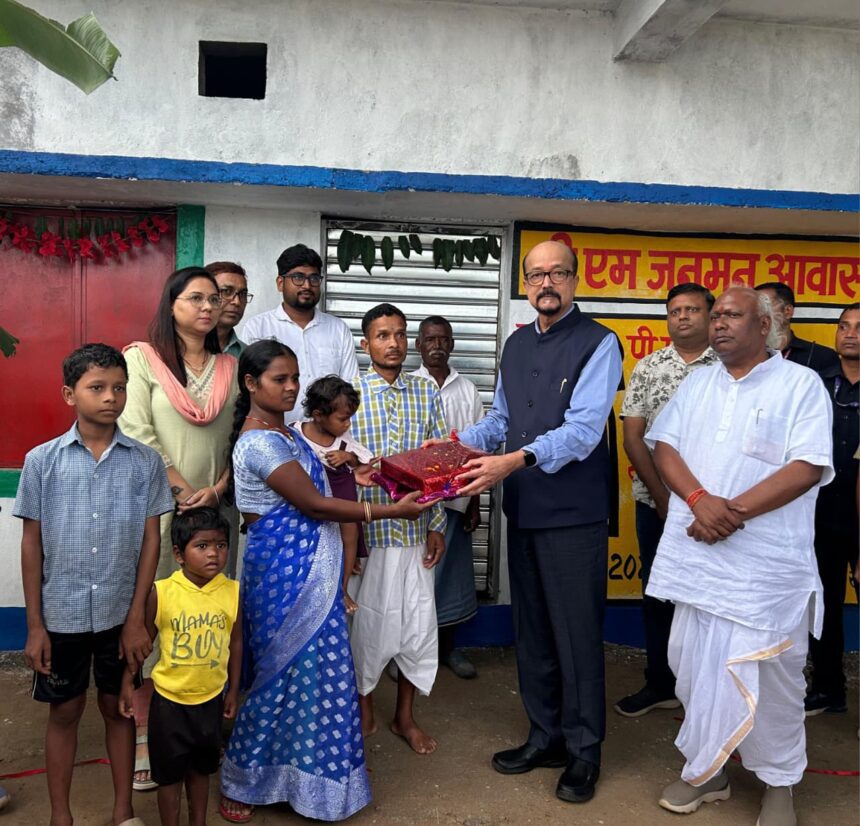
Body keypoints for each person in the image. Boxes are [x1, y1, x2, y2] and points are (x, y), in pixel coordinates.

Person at [219, 340, 430, 823]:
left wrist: (364, 475)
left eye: (295, 378)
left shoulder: (288, 436)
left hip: (317, 577)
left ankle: (313, 778)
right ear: (251, 384)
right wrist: (389, 512)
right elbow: (313, 505)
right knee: (278, 678)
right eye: (280, 379)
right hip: (284, 578)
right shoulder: (259, 443)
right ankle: (245, 778)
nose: (291, 387)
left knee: (318, 679)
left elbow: (323, 486)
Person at [443, 240, 623, 803]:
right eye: (537, 274)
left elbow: (584, 431)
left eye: (558, 274)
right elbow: (500, 419)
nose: (547, 283)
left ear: (574, 280)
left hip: (574, 517)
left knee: (576, 636)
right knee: (534, 633)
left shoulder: (599, 342)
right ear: (524, 284)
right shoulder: (517, 343)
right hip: (523, 509)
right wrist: (453, 447)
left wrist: (514, 461)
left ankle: (584, 752)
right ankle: (545, 737)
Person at [645, 287, 832, 825]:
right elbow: (664, 446)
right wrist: (699, 502)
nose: (720, 324)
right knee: (694, 669)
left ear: (765, 325)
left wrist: (730, 513)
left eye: (733, 315)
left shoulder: (800, 384)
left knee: (771, 676)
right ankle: (709, 770)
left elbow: (807, 466)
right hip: (700, 562)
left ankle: (780, 783)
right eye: (717, 316)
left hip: (764, 570)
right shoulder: (698, 382)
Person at [13, 343, 173, 826]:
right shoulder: (42, 461)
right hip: (60, 614)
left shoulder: (145, 462)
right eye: (97, 387)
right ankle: (60, 815)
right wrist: (35, 626)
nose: (110, 397)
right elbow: (31, 544)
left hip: (120, 615)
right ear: (69, 394)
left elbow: (151, 541)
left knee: (118, 707)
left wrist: (137, 618)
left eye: (119, 388)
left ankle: (123, 812)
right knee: (63, 711)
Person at [119, 266, 239, 791]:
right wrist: (181, 488)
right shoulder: (142, 359)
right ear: (171, 304)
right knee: (155, 621)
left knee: (204, 626)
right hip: (160, 514)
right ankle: (150, 739)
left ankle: (202, 735)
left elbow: (241, 436)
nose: (208, 307)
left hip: (213, 516)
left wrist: (218, 488)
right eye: (196, 298)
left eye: (215, 299)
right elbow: (136, 429)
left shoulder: (232, 367)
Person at [614, 283, 718, 717]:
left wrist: (703, 501)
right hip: (656, 503)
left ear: (711, 316)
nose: (682, 317)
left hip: (718, 508)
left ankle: (709, 693)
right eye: (675, 311)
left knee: (711, 598)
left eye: (692, 309)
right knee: (658, 594)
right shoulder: (650, 366)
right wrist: (663, 496)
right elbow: (633, 437)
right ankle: (661, 683)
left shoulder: (730, 365)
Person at [350, 303, 449, 755]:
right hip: (368, 535)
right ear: (366, 343)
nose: (393, 343)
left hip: (414, 533)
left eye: (400, 334)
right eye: (383, 335)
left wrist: (437, 523)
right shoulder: (350, 393)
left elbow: (440, 464)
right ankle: (364, 709)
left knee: (417, 625)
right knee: (365, 627)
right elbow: (337, 469)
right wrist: (347, 535)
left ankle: (405, 717)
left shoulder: (425, 392)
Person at [119, 507, 241, 826]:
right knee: (169, 776)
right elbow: (143, 643)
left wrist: (233, 690)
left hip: (210, 700)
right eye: (202, 546)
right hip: (169, 704)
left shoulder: (232, 592)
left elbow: (237, 643)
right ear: (178, 554)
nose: (213, 553)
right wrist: (127, 683)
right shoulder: (162, 593)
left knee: (201, 771)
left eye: (221, 545)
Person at [411, 315, 484, 679]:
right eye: (430, 339)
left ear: (451, 344)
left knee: (452, 576)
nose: (437, 345)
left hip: (456, 498)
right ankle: (410, 653)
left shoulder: (467, 389)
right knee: (417, 576)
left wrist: (475, 501)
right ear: (418, 345)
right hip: (417, 501)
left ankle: (448, 649)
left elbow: (479, 447)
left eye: (443, 339)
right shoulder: (409, 386)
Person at [805, 303, 860, 716]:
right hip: (822, 513)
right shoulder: (816, 384)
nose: (850, 333)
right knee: (822, 606)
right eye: (844, 326)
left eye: (859, 327)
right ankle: (827, 689)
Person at [241, 244, 358, 422]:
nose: (307, 285)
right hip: (273, 430)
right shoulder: (258, 328)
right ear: (280, 283)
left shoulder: (338, 329)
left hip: (326, 434)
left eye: (314, 278)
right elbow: (248, 389)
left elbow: (349, 387)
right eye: (298, 277)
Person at [292, 375, 374, 615]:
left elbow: (364, 461)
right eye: (342, 418)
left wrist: (348, 457)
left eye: (349, 418)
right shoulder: (295, 434)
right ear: (318, 415)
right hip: (312, 499)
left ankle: (342, 588)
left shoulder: (343, 439)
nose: (347, 424)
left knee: (350, 534)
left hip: (342, 493)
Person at [754, 281, 839, 374]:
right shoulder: (745, 355)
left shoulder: (820, 356)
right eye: (754, 308)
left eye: (765, 306)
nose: (757, 313)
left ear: (788, 311)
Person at [205, 261, 253, 358]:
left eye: (242, 294)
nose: (237, 302)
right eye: (226, 291)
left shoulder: (247, 356)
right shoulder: (180, 350)